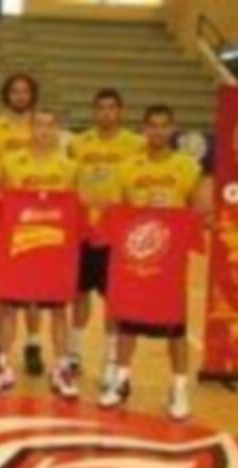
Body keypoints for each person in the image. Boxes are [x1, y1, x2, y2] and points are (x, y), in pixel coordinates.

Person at [99, 104, 203, 420]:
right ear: (144, 129)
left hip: (168, 261)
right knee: (127, 321)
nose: (158, 131)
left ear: (173, 130)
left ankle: (179, 388)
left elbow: (196, 214)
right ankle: (121, 380)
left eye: (164, 125)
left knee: (175, 328)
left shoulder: (187, 167)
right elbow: (117, 211)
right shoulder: (128, 167)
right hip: (136, 255)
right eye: (152, 125)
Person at [0, 109, 81, 397]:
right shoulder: (11, 163)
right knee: (10, 308)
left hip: (54, 248)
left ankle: (61, 368)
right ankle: (3, 366)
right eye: (38, 125)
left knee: (59, 310)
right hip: (19, 246)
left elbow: (73, 211)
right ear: (31, 129)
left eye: (49, 125)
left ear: (57, 130)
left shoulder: (68, 167)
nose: (43, 131)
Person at [67, 88, 145, 385]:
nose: (106, 113)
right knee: (78, 294)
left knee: (114, 298)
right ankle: (74, 354)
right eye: (100, 108)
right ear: (94, 111)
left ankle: (111, 359)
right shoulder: (78, 144)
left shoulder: (135, 144)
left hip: (117, 236)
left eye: (112, 107)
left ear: (121, 111)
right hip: (83, 231)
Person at [0, 72, 43, 377]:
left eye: (25, 91)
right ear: (7, 95)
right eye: (15, 91)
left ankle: (32, 344)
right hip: (2, 216)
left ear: (32, 95)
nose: (20, 95)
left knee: (33, 284)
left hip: (36, 218)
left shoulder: (42, 126)